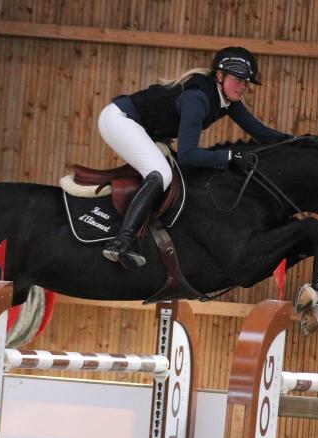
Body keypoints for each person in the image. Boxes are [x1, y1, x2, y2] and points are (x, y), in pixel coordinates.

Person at [97, 46, 291, 270]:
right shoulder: (197, 98)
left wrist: (297, 141)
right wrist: (229, 156)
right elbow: (189, 155)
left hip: (139, 126)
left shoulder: (227, 100)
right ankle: (124, 240)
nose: (243, 87)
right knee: (161, 173)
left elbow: (260, 132)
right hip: (119, 120)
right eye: (238, 80)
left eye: (246, 82)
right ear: (219, 76)